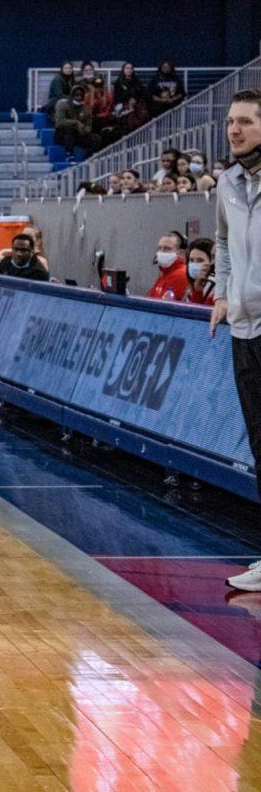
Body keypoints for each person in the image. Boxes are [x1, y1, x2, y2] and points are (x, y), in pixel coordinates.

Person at [215, 91, 261, 594]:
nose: (235, 130)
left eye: (245, 121)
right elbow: (224, 241)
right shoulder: (228, 181)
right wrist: (225, 294)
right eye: (230, 122)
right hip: (244, 329)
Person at [53, 85, 101, 160]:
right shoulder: (63, 105)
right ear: (72, 95)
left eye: (81, 95)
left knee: (96, 138)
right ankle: (69, 154)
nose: (79, 98)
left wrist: (85, 130)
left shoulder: (85, 109)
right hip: (62, 135)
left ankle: (87, 158)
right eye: (77, 95)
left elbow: (89, 125)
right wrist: (75, 123)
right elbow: (59, 122)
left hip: (78, 134)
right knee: (70, 130)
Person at [145, 231, 189, 300]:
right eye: (159, 248)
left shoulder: (180, 274)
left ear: (180, 253)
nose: (161, 252)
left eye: (167, 248)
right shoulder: (165, 273)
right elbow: (150, 298)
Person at [185, 237, 216, 305]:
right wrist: (197, 291)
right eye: (191, 260)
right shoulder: (194, 284)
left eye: (200, 260)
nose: (194, 264)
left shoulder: (212, 283)